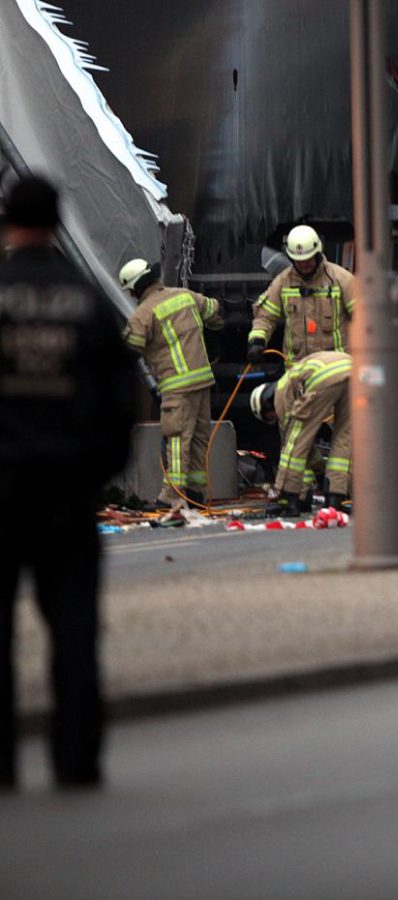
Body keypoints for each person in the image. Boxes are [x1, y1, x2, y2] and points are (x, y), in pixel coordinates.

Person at [0, 174, 137, 789]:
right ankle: (76, 759)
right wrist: (94, 473)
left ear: (8, 222)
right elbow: (120, 402)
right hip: (67, 489)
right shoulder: (86, 301)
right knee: (75, 627)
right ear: (57, 223)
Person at [119, 258, 224, 507]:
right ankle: (197, 493)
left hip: (177, 386)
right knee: (199, 438)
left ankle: (172, 495)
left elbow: (128, 353)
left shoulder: (142, 315)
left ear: (136, 288)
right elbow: (215, 312)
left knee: (177, 439)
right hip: (203, 380)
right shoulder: (186, 296)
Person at [249, 350, 352, 516]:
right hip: (353, 370)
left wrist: (286, 494)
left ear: (266, 403)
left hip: (325, 375)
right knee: (343, 439)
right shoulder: (290, 381)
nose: (275, 418)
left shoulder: (280, 395)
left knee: (295, 440)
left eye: (269, 416)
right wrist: (320, 470)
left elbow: (294, 446)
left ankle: (288, 498)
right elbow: (309, 450)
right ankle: (335, 498)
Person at [247, 225, 354, 365]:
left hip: (334, 369)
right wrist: (257, 341)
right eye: (299, 260)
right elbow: (265, 317)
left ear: (317, 254)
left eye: (308, 259)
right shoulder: (282, 282)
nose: (304, 264)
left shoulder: (341, 279)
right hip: (297, 370)